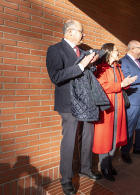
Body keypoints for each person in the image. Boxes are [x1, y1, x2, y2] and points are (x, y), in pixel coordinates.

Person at [46, 20, 101, 195]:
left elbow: (87, 75)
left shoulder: (84, 52)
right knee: (69, 141)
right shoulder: (55, 49)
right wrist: (81, 65)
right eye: (81, 31)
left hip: (86, 102)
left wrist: (92, 65)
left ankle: (85, 168)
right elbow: (56, 76)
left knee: (88, 136)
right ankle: (66, 179)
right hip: (69, 104)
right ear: (70, 32)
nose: (84, 35)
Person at [92, 43, 137, 181]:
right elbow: (101, 86)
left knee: (114, 137)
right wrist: (120, 85)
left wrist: (127, 82)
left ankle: (109, 165)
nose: (119, 52)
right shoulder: (100, 68)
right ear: (109, 52)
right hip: (107, 109)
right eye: (116, 50)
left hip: (118, 107)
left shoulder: (117, 67)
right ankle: (104, 167)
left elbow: (122, 83)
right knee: (105, 139)